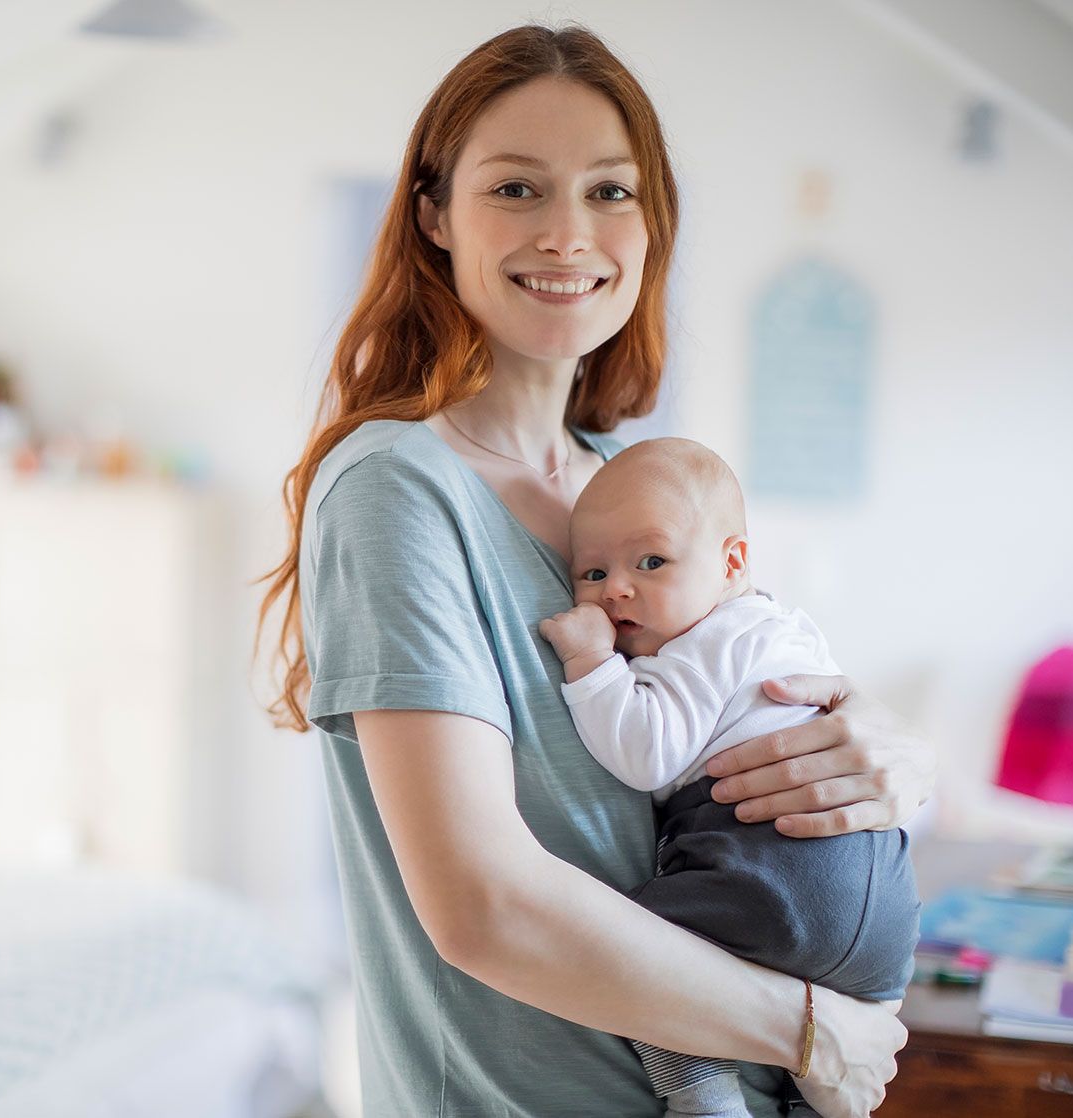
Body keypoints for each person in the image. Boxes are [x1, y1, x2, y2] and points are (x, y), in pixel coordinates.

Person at [256, 24, 935, 1118]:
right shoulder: (396, 488)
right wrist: (810, 1028)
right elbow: (483, 905)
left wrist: (893, 756)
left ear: (654, 222)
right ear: (435, 215)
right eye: (518, 187)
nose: (569, 232)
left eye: (611, 191)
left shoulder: (627, 486)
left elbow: (756, 677)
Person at [538, 437, 921, 1118]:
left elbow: (646, 754)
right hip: (882, 914)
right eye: (591, 573)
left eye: (650, 561)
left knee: (636, 948)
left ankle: (699, 1095)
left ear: (731, 561)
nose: (616, 588)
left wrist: (592, 664)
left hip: (774, 879)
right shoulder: (780, 628)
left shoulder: (698, 645)